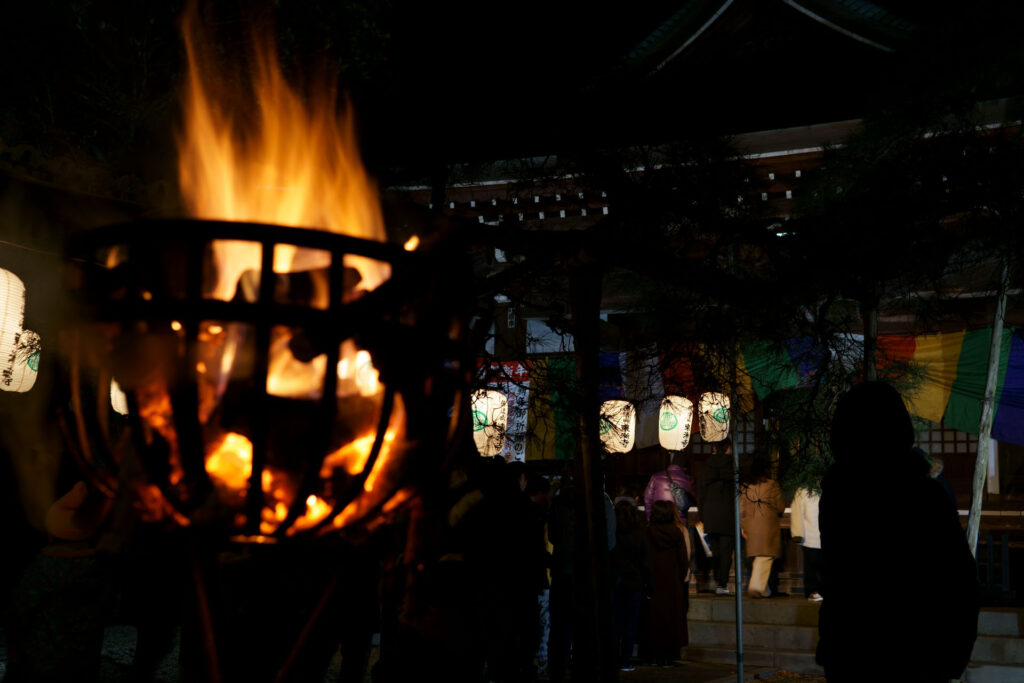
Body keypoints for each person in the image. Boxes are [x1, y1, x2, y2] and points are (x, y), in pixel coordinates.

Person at [817, 382, 980, 682]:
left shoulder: (840, 494)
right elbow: (960, 578)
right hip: (916, 648)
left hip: (853, 649)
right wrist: (953, 655)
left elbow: (837, 575)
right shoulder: (923, 494)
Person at [642, 500, 689, 667]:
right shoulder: (676, 533)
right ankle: (669, 656)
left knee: (653, 618)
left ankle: (654, 656)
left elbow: (644, 558)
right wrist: (679, 577)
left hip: (653, 581)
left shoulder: (647, 533)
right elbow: (683, 560)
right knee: (671, 618)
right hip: (672, 582)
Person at [610, 499, 652, 672]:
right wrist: (649, 587)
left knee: (615, 624)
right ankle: (625, 661)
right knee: (630, 625)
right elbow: (646, 564)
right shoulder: (639, 536)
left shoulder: (612, 535)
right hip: (634, 584)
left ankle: (612, 659)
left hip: (615, 583)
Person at [739, 453, 785, 598]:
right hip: (768, 525)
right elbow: (780, 507)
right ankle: (756, 587)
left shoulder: (745, 486)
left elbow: (741, 509)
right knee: (765, 556)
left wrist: (742, 526)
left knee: (759, 556)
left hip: (750, 526)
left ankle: (765, 591)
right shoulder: (772, 485)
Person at [697, 437, 737, 595]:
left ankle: (718, 580)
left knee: (715, 550)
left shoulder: (706, 466)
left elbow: (700, 492)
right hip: (728, 513)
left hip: (710, 513)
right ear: (728, 448)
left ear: (714, 448)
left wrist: (702, 514)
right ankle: (722, 583)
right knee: (727, 551)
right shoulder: (733, 466)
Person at [790, 484, 823, 602]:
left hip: (810, 536)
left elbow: (797, 513)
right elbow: (797, 513)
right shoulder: (802, 491)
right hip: (811, 536)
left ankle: (813, 591)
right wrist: (797, 533)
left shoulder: (802, 491)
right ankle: (813, 591)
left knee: (812, 567)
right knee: (813, 567)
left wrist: (797, 533)